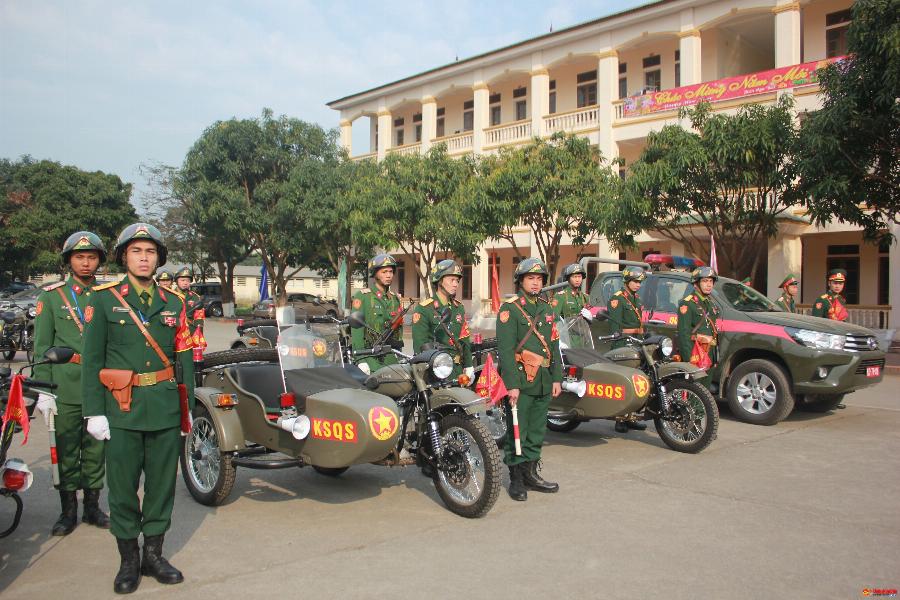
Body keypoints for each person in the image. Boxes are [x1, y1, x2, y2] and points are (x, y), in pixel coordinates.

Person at [82, 223, 194, 595]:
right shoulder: (103, 299)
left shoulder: (174, 303)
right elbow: (92, 360)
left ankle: (154, 555)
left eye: (150, 252)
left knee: (162, 485)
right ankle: (128, 560)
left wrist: (187, 406)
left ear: (159, 258)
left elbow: (185, 361)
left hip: (162, 406)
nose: (144, 258)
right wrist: (93, 411)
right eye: (136, 251)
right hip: (121, 408)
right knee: (124, 488)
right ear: (124, 257)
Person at [33, 231, 110, 536]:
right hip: (64, 383)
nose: (86, 263)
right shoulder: (51, 296)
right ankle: (68, 511)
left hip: (97, 384)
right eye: (80, 257)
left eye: (92, 257)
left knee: (95, 449)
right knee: (65, 449)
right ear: (68, 261)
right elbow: (42, 347)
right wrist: (43, 391)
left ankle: (92, 507)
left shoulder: (107, 295)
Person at [496, 258, 562, 501]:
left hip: (544, 379)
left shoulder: (547, 308)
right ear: (520, 281)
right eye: (530, 278)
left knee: (536, 430)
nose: (535, 283)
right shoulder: (509, 310)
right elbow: (505, 351)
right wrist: (511, 385)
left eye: (539, 279)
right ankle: (516, 479)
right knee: (518, 432)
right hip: (521, 381)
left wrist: (557, 378)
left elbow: (554, 346)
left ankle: (532, 474)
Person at [411, 259, 473, 381]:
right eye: (452, 280)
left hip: (458, 370)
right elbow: (420, 346)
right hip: (437, 371)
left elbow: (464, 340)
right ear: (439, 281)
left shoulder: (458, 307)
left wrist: (469, 365)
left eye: (457, 280)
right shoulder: (424, 309)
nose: (456, 284)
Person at [606, 266, 648, 433]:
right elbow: (615, 327)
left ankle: (631, 417)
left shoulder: (636, 299)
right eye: (635, 281)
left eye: (639, 282)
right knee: (624, 384)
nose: (638, 285)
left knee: (636, 381)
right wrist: (619, 344)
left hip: (637, 342)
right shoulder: (618, 299)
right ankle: (620, 419)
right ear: (626, 282)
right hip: (623, 343)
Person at [350, 254, 403, 374]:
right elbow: (357, 329)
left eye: (391, 271)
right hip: (370, 355)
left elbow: (398, 332)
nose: (389, 275)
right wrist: (360, 359)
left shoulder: (395, 299)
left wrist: (399, 353)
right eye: (384, 272)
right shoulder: (363, 297)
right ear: (375, 273)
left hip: (390, 355)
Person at [676, 266, 721, 374]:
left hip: (709, 353)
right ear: (696, 284)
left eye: (711, 281)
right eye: (705, 281)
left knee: (705, 388)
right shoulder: (687, 303)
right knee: (695, 388)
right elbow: (684, 334)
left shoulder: (710, 303)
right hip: (696, 354)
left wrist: (715, 356)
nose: (709, 284)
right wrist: (689, 360)